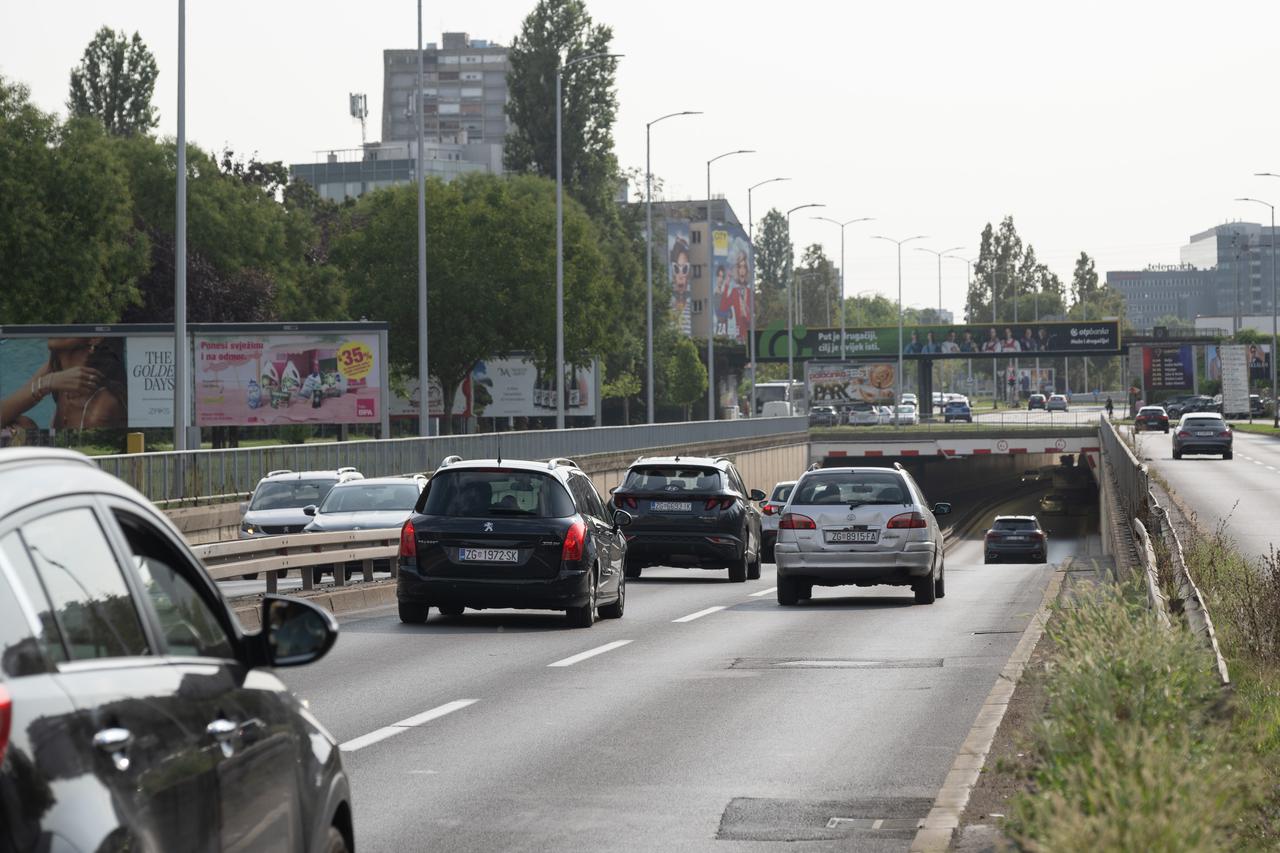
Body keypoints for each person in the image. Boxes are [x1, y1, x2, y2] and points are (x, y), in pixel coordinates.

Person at [1, 337, 126, 432]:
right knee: (21, 425)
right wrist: (47, 382)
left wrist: (47, 382)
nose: (55, 326)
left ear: (95, 338)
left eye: (67, 322)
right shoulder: (56, 369)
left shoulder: (102, 406)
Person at [670, 238, 692, 336]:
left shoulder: (692, 306)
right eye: (676, 268)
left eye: (685, 269)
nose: (680, 275)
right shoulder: (665, 305)